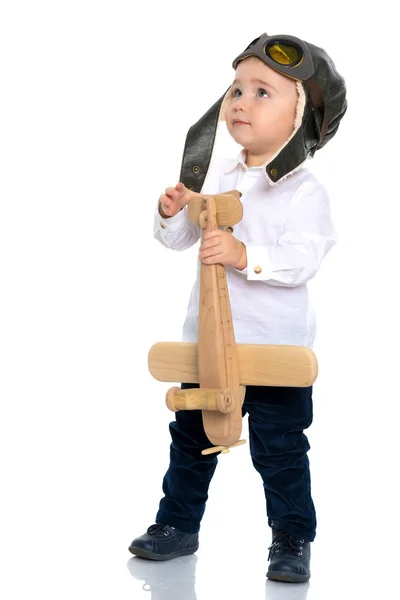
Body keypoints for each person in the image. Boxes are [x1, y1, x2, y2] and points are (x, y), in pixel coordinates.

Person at [128, 32, 347, 583]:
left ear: (301, 118)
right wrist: (171, 212)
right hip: (209, 346)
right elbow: (179, 241)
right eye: (236, 89)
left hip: (273, 351)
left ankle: (292, 535)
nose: (240, 102)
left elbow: (303, 259)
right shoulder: (217, 173)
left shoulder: (305, 192)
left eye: (262, 92)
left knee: (281, 454)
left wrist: (245, 255)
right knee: (190, 442)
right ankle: (177, 524)